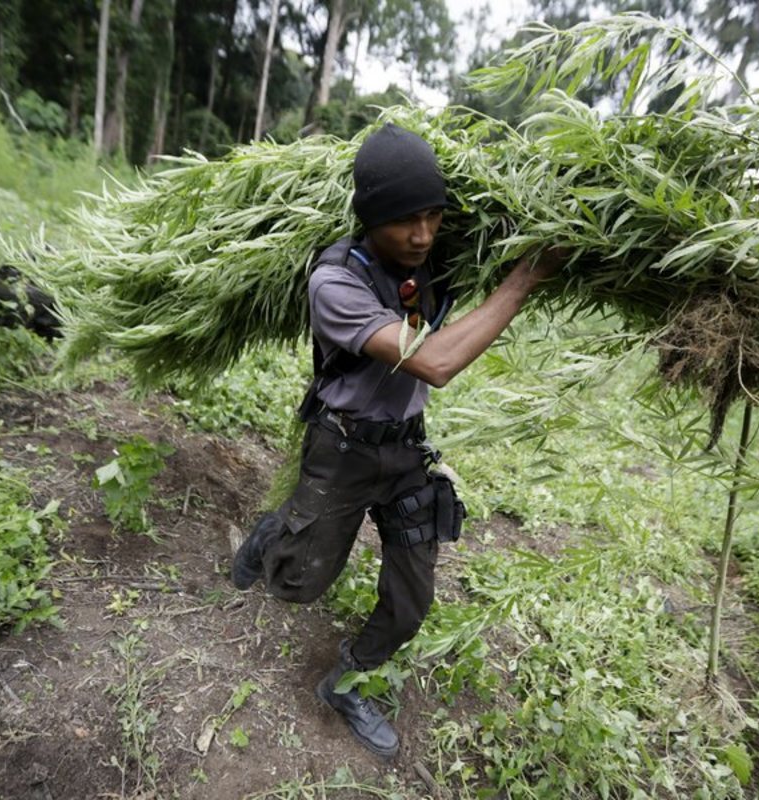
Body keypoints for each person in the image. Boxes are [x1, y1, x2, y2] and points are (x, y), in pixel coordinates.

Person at [230, 123, 561, 758]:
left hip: (408, 451)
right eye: (405, 221)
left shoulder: (437, 256)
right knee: (299, 584)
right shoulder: (334, 283)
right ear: (369, 218)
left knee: (412, 603)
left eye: (434, 217)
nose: (422, 236)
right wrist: (526, 278)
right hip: (343, 448)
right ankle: (278, 532)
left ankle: (347, 681)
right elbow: (433, 361)